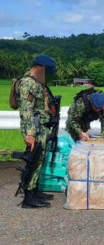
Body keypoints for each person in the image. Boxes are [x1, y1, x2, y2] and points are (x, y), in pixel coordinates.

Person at [18, 54, 57, 208]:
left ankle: (34, 191)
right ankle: (28, 198)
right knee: (33, 161)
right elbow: (26, 110)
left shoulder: (38, 82)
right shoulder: (28, 83)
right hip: (34, 128)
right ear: (40, 68)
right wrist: (30, 134)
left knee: (39, 160)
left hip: (42, 127)